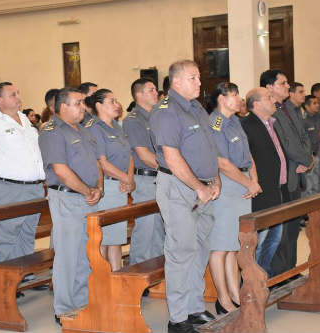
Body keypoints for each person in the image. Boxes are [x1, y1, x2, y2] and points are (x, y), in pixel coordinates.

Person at [150, 60, 218, 333]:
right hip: (179, 187)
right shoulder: (166, 111)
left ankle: (194, 307)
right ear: (176, 82)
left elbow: (209, 148)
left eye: (199, 77)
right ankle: (177, 319)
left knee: (199, 248)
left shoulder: (197, 108)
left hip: (203, 187)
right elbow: (172, 157)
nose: (200, 83)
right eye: (193, 78)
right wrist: (198, 186)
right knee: (181, 251)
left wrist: (214, 179)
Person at [38, 87, 103, 324]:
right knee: (68, 254)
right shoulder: (53, 132)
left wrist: (99, 187)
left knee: (86, 253)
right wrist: (88, 190)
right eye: (78, 103)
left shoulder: (83, 130)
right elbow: (61, 171)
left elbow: (96, 162)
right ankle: (64, 307)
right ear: (63, 106)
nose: (83, 107)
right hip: (67, 198)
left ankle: (83, 301)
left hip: (88, 197)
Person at [0, 82, 45, 266]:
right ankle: (7, 281)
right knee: (7, 235)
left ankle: (24, 275)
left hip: (33, 187)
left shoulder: (25, 119)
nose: (18, 97)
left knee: (27, 233)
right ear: (0, 100)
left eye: (18, 93)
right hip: (6, 188)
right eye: (13, 94)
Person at [206, 82, 261, 314]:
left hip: (243, 181)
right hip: (227, 184)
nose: (239, 99)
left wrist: (254, 180)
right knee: (220, 245)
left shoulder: (235, 120)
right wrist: (248, 182)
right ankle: (222, 298)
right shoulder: (215, 123)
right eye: (234, 94)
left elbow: (248, 154)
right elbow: (222, 163)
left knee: (232, 244)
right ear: (221, 99)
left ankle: (235, 293)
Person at [261, 72, 313, 277]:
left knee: (292, 227)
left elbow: (303, 136)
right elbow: (286, 144)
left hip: (296, 171)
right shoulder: (271, 111)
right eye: (282, 83)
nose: (287, 86)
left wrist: (309, 158)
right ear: (269, 87)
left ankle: (290, 270)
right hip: (284, 175)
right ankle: (280, 273)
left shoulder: (289, 108)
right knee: (280, 230)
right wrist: (305, 160)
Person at [85, 89, 134, 271]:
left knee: (116, 239)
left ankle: (116, 276)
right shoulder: (94, 128)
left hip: (120, 185)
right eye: (112, 101)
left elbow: (128, 154)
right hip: (107, 186)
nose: (117, 105)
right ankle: (104, 279)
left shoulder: (117, 126)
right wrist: (125, 179)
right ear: (99, 105)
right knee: (104, 240)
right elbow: (102, 162)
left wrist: (129, 178)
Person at [240, 88, 286, 278]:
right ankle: (253, 280)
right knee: (261, 237)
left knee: (275, 236)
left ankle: (265, 275)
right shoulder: (247, 125)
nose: (274, 100)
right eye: (269, 97)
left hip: (275, 188)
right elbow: (246, 159)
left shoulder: (271, 123)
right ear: (256, 103)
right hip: (260, 190)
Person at [122, 78, 164, 267]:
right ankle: (138, 270)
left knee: (160, 227)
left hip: (162, 176)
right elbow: (144, 155)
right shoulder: (133, 120)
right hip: (146, 178)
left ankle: (156, 268)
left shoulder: (158, 116)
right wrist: (173, 167)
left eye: (155, 89)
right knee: (147, 228)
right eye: (151, 90)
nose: (156, 93)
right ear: (139, 95)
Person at [301, 95, 320, 197]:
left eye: (318, 103)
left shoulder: (316, 118)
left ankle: (315, 208)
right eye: (314, 103)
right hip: (308, 157)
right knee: (308, 185)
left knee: (315, 184)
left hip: (316, 154)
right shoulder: (303, 120)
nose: (318, 105)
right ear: (307, 106)